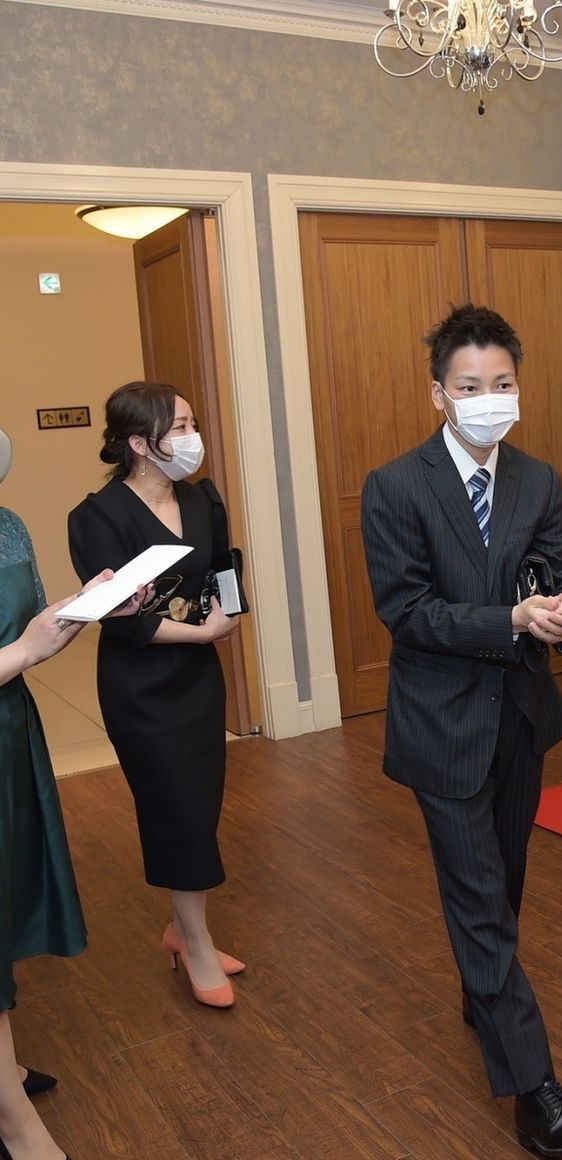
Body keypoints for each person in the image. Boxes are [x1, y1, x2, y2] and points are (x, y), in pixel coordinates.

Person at [361, 304, 562, 1157]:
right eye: (469, 386)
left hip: (521, 714)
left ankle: (482, 989)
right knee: (477, 899)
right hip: (441, 723)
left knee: (503, 883)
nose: (488, 398)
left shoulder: (537, 480)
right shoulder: (396, 486)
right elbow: (408, 611)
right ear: (439, 393)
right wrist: (509, 619)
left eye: (502, 383)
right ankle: (536, 1090)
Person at [67, 383, 246, 1010]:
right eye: (181, 428)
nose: (193, 438)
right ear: (141, 445)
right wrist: (200, 634)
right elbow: (120, 619)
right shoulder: (96, 517)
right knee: (173, 807)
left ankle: (182, 927)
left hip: (199, 680)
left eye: (193, 423)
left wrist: (229, 613)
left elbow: (224, 567)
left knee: (200, 805)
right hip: (140, 688)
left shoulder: (201, 498)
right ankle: (195, 942)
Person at [0, 423, 143, 1160]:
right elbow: (17, 646)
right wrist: (23, 650)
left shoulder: (7, 523)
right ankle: (14, 1123)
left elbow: (24, 629)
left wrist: (85, 607)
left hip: (9, 733)